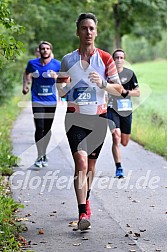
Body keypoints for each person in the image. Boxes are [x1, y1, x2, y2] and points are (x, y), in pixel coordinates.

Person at [56, 13, 123, 231]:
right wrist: (68, 85)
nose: (88, 32)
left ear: (96, 31)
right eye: (84, 28)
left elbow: (119, 90)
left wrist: (103, 83)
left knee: (91, 166)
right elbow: (60, 89)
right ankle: (83, 211)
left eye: (92, 28)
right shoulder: (68, 59)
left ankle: (87, 196)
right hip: (75, 117)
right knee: (81, 163)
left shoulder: (105, 58)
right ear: (78, 31)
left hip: (98, 119)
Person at [22, 41, 61, 168]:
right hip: (37, 99)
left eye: (47, 48)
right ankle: (40, 155)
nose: (45, 50)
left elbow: (66, 79)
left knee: (47, 129)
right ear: (39, 51)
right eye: (43, 48)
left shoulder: (57, 64)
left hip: (51, 101)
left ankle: (44, 153)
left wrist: (56, 77)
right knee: (39, 127)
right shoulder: (32, 63)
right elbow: (26, 73)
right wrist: (26, 85)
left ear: (50, 51)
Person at [107, 48, 140, 178]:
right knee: (116, 135)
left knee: (124, 142)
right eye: (116, 57)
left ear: (124, 59)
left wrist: (127, 93)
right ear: (113, 59)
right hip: (111, 108)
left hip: (126, 110)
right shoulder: (108, 74)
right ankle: (119, 167)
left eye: (121, 57)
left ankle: (119, 146)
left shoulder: (130, 73)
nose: (119, 60)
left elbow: (138, 92)